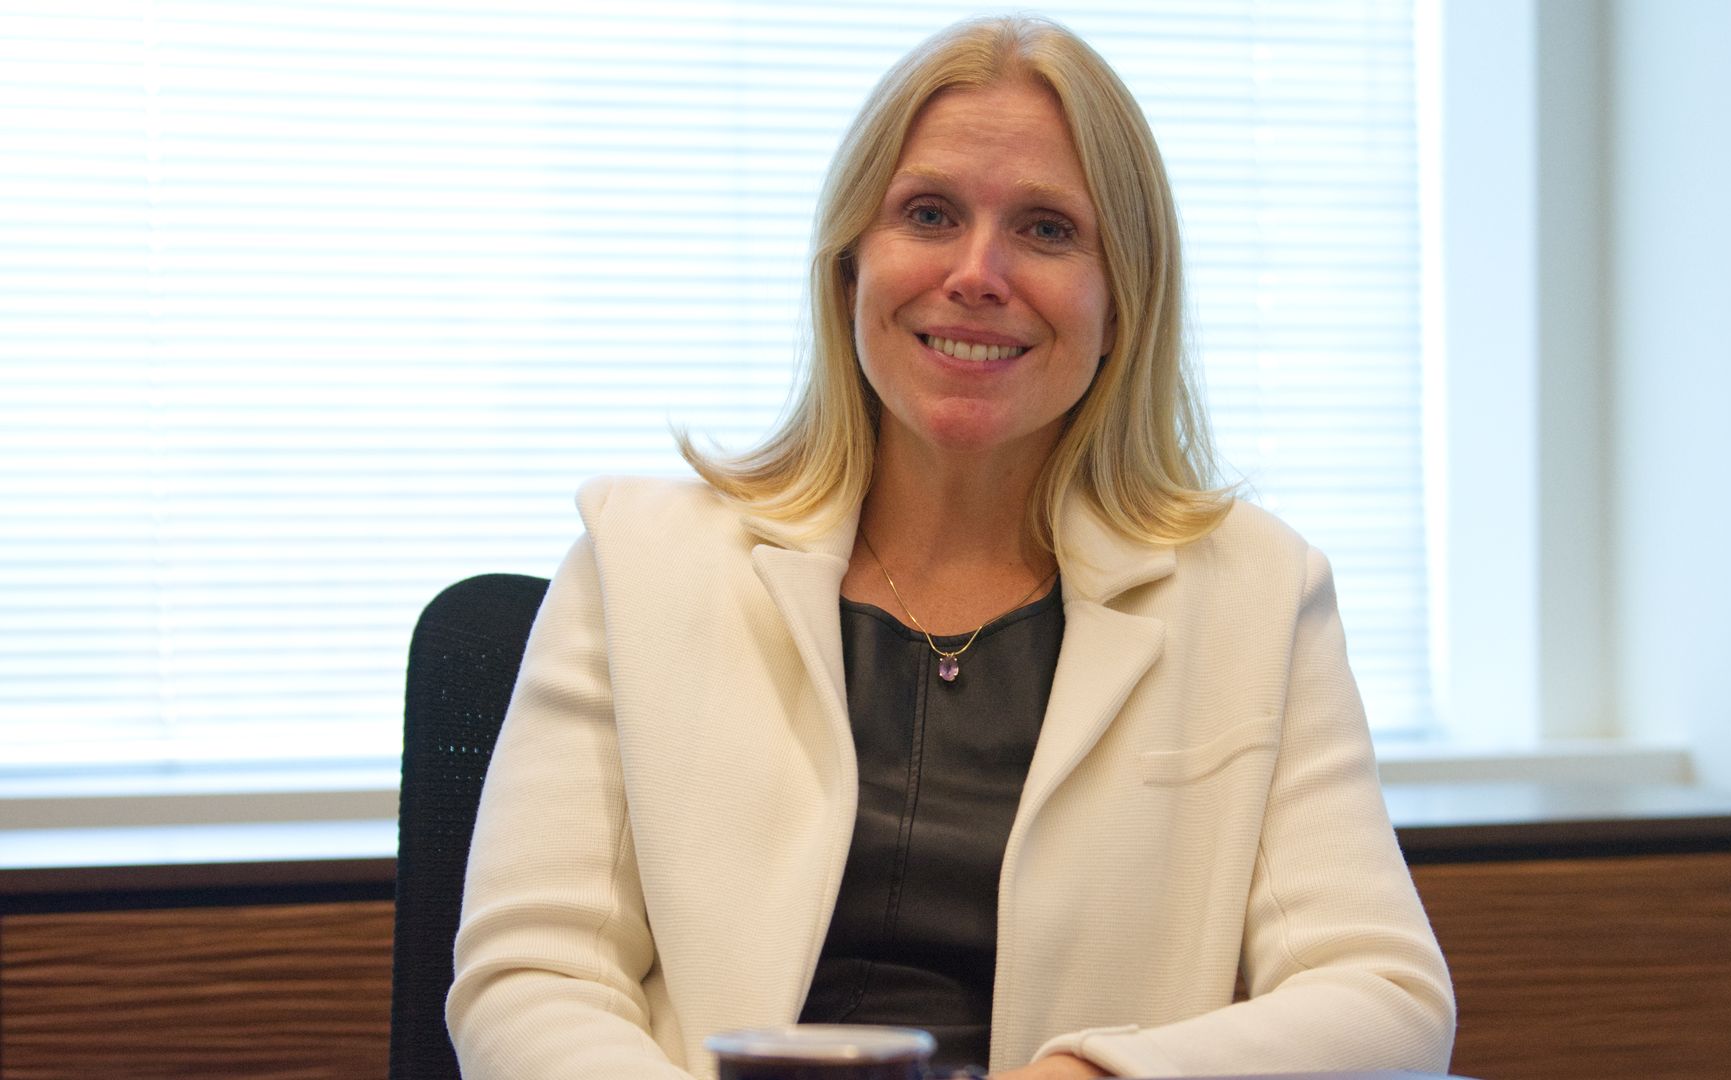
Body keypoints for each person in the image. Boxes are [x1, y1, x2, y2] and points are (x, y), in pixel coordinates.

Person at [446, 15, 1454, 1080]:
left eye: (1048, 230)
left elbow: (1384, 1000)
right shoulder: (639, 561)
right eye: (929, 214)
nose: (978, 274)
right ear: (848, 271)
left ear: (1123, 303)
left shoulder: (1255, 593)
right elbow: (536, 976)